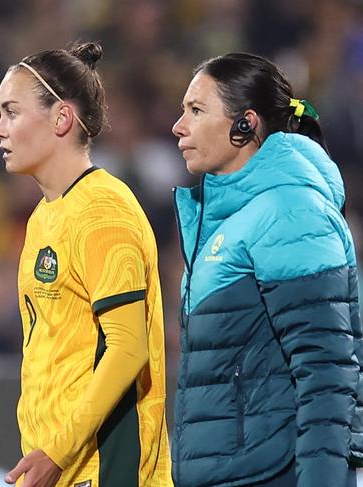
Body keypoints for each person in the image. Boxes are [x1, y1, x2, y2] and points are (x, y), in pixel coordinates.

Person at [171, 52, 362, 487]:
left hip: (273, 474)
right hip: (232, 473)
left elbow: (328, 375)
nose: (178, 126)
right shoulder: (232, 219)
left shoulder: (289, 210)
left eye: (196, 110)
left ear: (247, 124)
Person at [0, 42, 172, 487]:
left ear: (61, 118)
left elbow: (128, 348)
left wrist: (57, 450)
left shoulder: (103, 211)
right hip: (61, 467)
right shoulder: (44, 215)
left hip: (106, 469)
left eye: (11, 112)